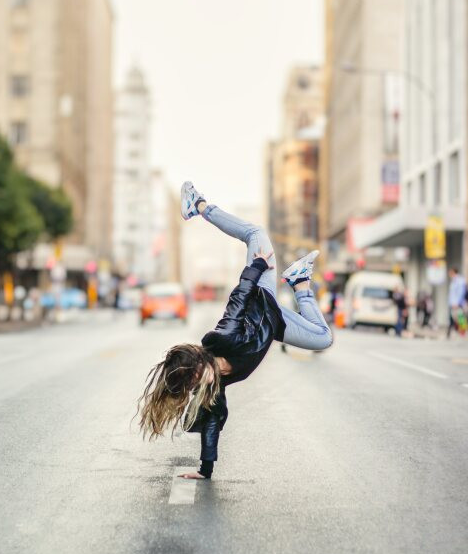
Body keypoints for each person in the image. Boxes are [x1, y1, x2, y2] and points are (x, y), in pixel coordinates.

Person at [136, 182, 333, 480]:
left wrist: (256, 267)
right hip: (276, 324)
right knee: (324, 338)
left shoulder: (221, 339)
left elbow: (239, 299)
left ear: (201, 362)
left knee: (257, 234)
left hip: (260, 295)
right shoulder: (213, 390)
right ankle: (299, 281)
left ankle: (198, 206)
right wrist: (205, 471)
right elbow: (212, 425)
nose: (202, 381)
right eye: (195, 383)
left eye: (198, 374)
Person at [446, 267, 467, 338]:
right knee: (452, 318)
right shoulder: (453, 281)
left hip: (457, 304)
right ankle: (450, 332)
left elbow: (461, 292)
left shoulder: (460, 281)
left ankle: (463, 331)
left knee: (460, 317)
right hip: (452, 303)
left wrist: (457, 302)